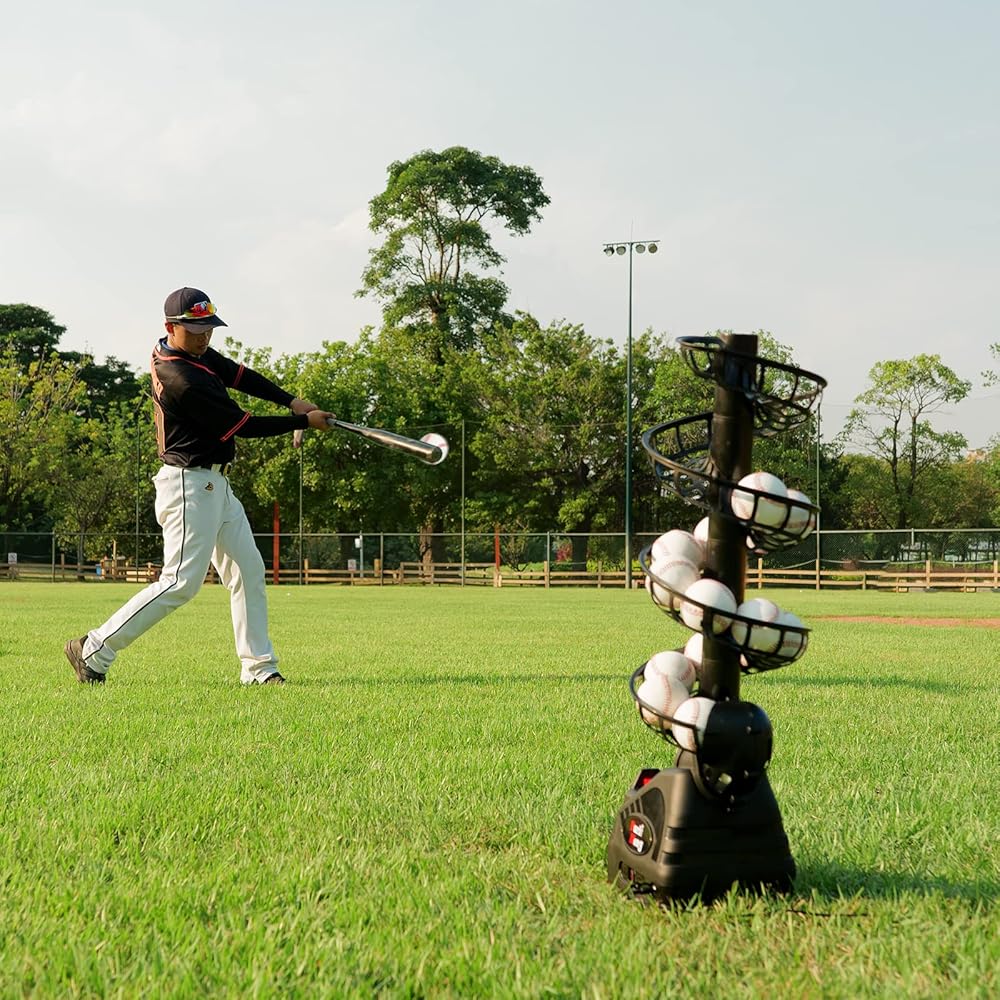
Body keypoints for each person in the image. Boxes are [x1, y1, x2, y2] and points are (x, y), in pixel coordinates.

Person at [64, 287, 334, 685]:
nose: (204, 337)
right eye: (194, 330)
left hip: (215, 485)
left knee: (247, 570)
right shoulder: (181, 378)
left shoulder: (186, 351)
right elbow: (241, 426)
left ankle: (258, 669)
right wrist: (301, 422)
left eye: (208, 328)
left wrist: (292, 401)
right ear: (170, 327)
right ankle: (93, 648)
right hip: (189, 485)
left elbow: (239, 375)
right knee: (180, 583)